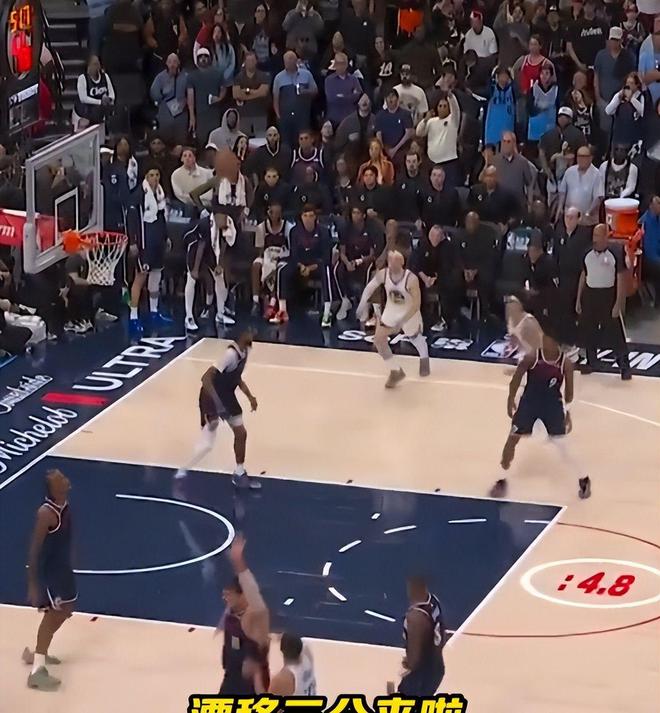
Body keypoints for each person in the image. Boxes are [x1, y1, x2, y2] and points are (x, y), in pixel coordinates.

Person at [490, 332, 591, 499]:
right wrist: (510, 398)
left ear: (556, 343)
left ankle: (584, 478)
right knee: (512, 440)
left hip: (552, 406)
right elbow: (516, 378)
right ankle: (501, 480)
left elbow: (569, 393)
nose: (543, 341)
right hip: (529, 404)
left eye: (547, 339)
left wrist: (567, 411)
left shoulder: (565, 363)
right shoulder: (532, 357)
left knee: (563, 445)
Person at [176, 332, 260, 489]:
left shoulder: (245, 351)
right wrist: (217, 404)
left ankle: (239, 473)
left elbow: (236, 378)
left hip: (226, 395)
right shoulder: (230, 354)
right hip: (211, 395)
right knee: (208, 443)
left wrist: (250, 396)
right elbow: (206, 378)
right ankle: (182, 469)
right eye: (248, 331)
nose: (252, 333)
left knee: (241, 433)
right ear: (240, 335)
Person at [24, 469, 77, 691]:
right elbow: (34, 551)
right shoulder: (45, 513)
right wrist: (33, 584)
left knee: (67, 609)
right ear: (53, 489)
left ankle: (39, 652)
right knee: (55, 614)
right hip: (51, 572)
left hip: (63, 569)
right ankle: (37, 671)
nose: (66, 479)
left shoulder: (64, 505)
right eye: (60, 479)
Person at [356, 250, 430, 388]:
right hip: (392, 310)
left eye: (394, 261)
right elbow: (370, 288)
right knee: (379, 340)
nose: (391, 263)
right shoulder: (384, 274)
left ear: (401, 263)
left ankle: (424, 357)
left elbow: (416, 304)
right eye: (389, 260)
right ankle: (395, 370)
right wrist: (362, 304)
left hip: (409, 311)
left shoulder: (411, 279)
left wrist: (402, 321)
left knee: (414, 338)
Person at [576, 223, 631, 380]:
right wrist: (578, 299)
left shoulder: (616, 253)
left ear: (606, 237)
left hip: (608, 295)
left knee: (615, 332)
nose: (595, 239)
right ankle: (591, 361)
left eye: (599, 235)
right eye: (594, 235)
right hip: (590, 295)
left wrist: (618, 303)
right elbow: (583, 275)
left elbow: (621, 278)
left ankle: (624, 366)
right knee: (589, 329)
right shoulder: (586, 253)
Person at [218, 535, 270, 692]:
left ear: (242, 595)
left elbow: (253, 594)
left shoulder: (254, 617)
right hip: (231, 679)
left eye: (229, 594)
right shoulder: (232, 612)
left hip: (252, 686)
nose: (225, 598)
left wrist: (239, 562)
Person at [129, 166, 172, 334]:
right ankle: (133, 317)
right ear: (146, 177)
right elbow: (132, 219)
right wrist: (133, 242)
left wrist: (166, 237)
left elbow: (162, 218)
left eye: (157, 174)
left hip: (158, 240)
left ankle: (154, 312)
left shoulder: (160, 193)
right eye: (152, 175)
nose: (155, 178)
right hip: (144, 242)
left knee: (156, 276)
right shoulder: (139, 195)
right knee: (140, 277)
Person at [390, 575, 446, 695]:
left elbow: (414, 660)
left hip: (420, 676)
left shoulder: (416, 617)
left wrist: (408, 663)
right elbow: (442, 634)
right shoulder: (433, 600)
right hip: (437, 667)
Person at [284, 206, 334, 327]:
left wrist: (310, 268)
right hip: (300, 265)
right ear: (301, 217)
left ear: (315, 217)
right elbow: (293, 254)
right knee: (283, 270)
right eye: (305, 216)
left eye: (311, 216)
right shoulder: (294, 231)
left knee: (326, 269)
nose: (308, 219)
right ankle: (282, 309)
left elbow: (326, 257)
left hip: (317, 266)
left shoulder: (324, 231)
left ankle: (327, 312)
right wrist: (301, 266)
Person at [335, 204, 380, 320]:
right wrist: (347, 263)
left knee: (368, 270)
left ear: (363, 215)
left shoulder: (370, 229)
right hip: (350, 259)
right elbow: (342, 252)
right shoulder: (346, 229)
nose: (355, 216)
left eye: (358, 213)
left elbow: (372, 254)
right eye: (353, 213)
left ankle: (364, 303)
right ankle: (345, 299)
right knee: (338, 269)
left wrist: (359, 261)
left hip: (364, 260)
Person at [252, 201, 292, 323]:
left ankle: (273, 301)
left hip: (282, 256)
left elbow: (290, 248)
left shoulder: (288, 227)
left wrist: (278, 257)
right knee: (256, 265)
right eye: (273, 212)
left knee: (278, 269)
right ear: (269, 213)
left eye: (278, 213)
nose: (276, 215)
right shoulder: (261, 227)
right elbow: (260, 249)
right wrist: (266, 259)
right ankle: (255, 301)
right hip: (267, 254)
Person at [272, 51, 318, 148]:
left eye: (290, 60)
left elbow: (315, 91)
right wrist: (278, 116)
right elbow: (276, 99)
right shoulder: (279, 78)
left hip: (303, 116)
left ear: (296, 60)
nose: (288, 63)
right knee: (286, 144)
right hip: (285, 118)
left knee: (303, 142)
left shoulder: (306, 74)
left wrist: (305, 91)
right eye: (286, 61)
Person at [150, 53, 189, 148]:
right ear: (166, 63)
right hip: (165, 115)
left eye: (175, 62)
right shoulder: (160, 77)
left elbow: (191, 94)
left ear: (179, 63)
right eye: (170, 62)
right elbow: (154, 94)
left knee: (181, 144)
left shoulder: (186, 76)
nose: (172, 65)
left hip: (181, 117)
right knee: (165, 144)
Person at [73, 55, 115, 130]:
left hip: (100, 110)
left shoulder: (105, 76)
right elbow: (83, 98)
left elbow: (112, 93)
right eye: (94, 64)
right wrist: (100, 102)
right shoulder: (82, 78)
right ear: (88, 66)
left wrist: (109, 99)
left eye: (97, 64)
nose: (96, 66)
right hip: (84, 111)